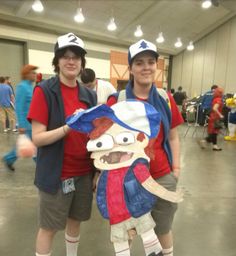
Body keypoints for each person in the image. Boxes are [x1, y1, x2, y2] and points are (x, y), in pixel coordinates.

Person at [107, 39, 184, 256]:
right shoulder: (116, 101)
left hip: (161, 176)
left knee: (163, 228)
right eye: (139, 63)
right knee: (127, 231)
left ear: (156, 66)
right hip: (126, 179)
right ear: (130, 68)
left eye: (151, 62)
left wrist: (175, 170)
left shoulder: (165, 98)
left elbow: (173, 137)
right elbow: (106, 142)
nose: (146, 67)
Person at [27, 32, 97, 256]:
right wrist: (68, 128)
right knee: (49, 228)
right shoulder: (45, 91)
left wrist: (97, 171)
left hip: (83, 173)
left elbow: (93, 135)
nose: (71, 61)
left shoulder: (89, 95)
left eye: (76, 57)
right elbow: (38, 137)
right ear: (57, 61)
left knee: (75, 221)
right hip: (57, 175)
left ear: (81, 63)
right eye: (65, 56)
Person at [2, 65, 37, 171]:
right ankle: (42, 166)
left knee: (27, 145)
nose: (34, 75)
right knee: (34, 146)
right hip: (26, 124)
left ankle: (8, 159)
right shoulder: (22, 87)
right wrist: (21, 124)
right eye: (33, 73)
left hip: (32, 122)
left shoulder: (30, 86)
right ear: (26, 74)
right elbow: (19, 106)